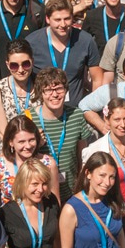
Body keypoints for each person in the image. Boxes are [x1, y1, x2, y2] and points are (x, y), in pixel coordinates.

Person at [31, 68, 95, 200]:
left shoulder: (76, 115)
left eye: (59, 89)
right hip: (40, 193)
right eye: (48, 90)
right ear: (40, 93)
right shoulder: (28, 119)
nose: (54, 95)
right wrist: (35, 145)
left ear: (66, 91)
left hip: (72, 191)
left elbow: (82, 155)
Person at [26, 0, 102, 104]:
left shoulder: (85, 40)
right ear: (47, 19)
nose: (63, 24)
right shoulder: (32, 43)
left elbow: (97, 78)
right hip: (43, 110)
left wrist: (94, 105)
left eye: (67, 19)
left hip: (75, 111)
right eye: (57, 20)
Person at [81, 99, 125, 200]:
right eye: (117, 119)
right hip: (110, 208)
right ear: (107, 120)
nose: (123, 125)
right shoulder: (94, 149)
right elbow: (85, 184)